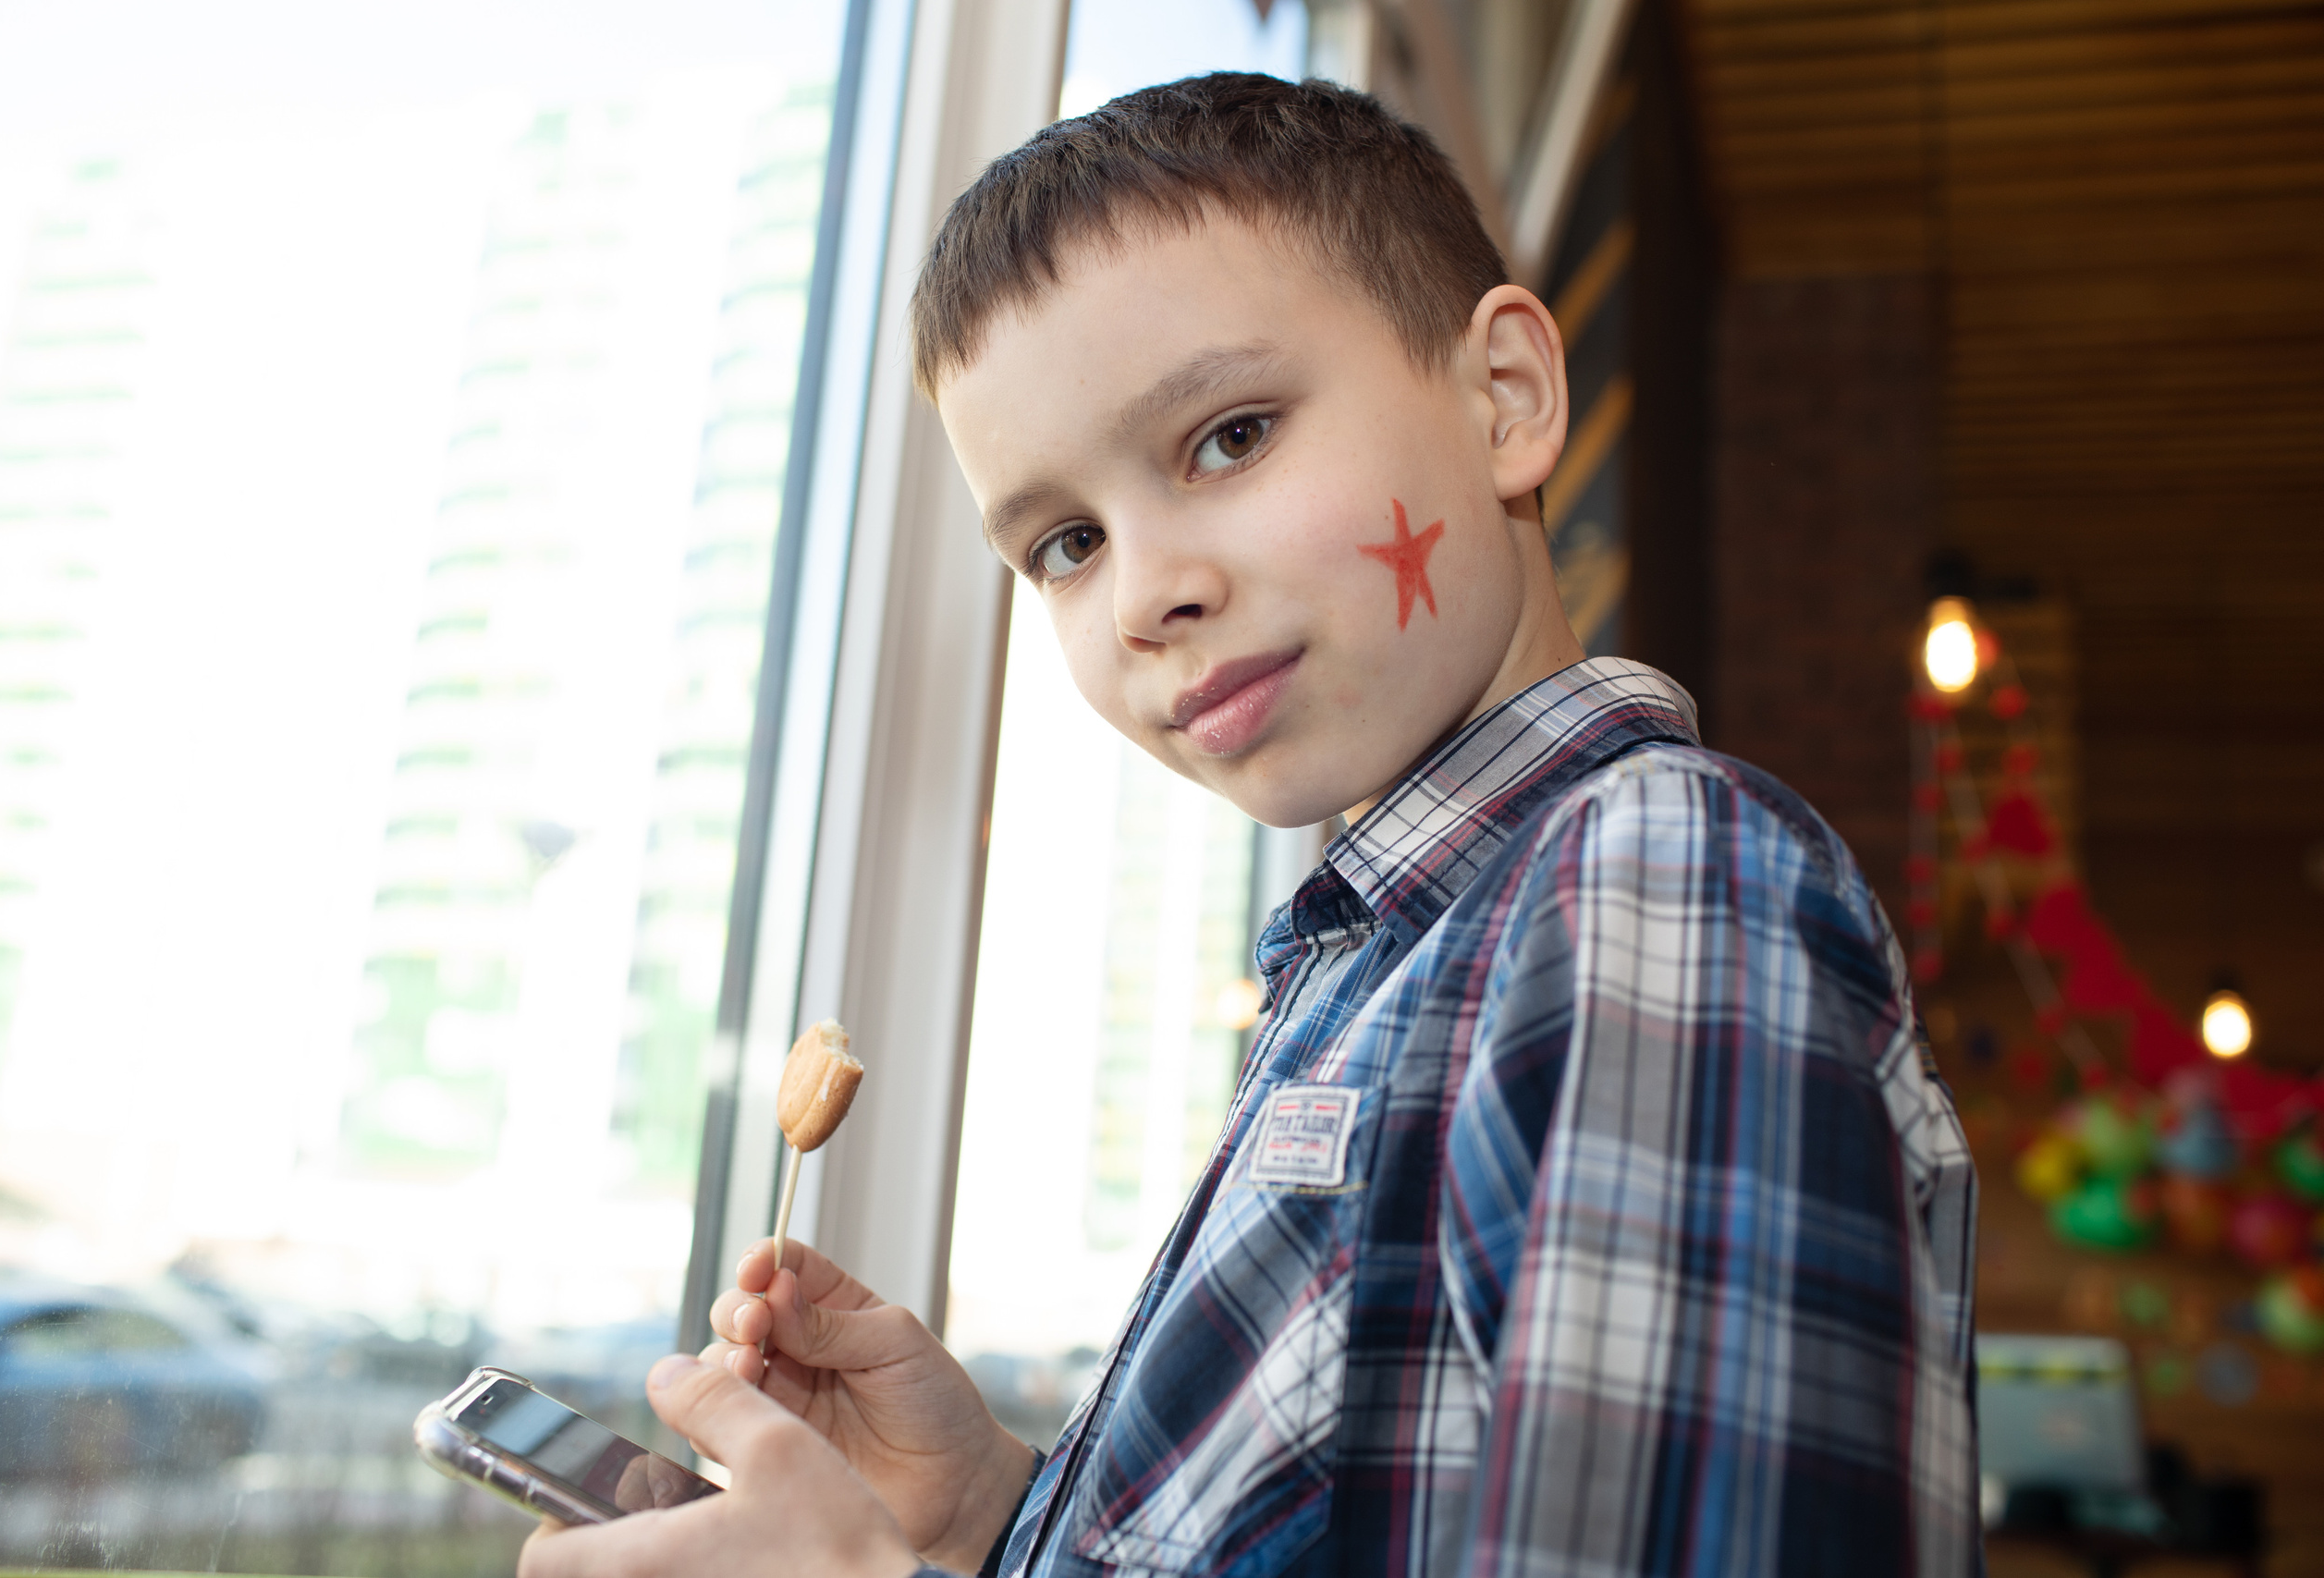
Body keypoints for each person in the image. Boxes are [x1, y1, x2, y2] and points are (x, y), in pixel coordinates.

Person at [519, 73, 1981, 1578]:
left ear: (1507, 401)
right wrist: (996, 1514)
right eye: (1067, 543)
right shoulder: (1390, 961)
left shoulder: (1651, 883)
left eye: (1229, 438)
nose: (1147, 592)